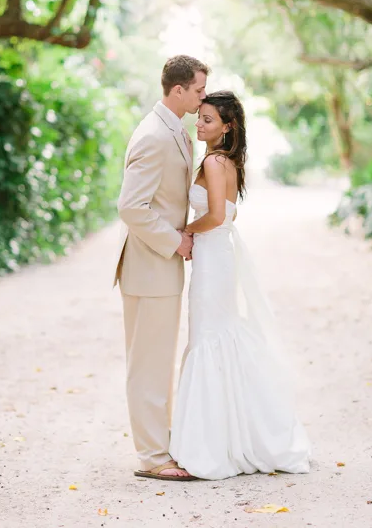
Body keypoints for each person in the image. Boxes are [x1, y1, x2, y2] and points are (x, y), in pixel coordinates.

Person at [168, 90, 311, 480]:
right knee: (217, 338)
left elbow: (215, 216)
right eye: (199, 117)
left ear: (227, 127)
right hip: (218, 257)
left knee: (207, 340)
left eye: (208, 120)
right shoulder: (227, 160)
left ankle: (212, 446)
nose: (199, 124)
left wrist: (183, 232)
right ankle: (227, 434)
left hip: (214, 260)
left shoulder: (215, 162)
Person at [112, 55, 209, 480]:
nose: (204, 96)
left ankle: (161, 445)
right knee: (148, 363)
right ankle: (152, 459)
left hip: (160, 268)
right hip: (150, 267)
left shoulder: (176, 130)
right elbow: (131, 206)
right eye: (199, 90)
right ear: (178, 90)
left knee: (158, 359)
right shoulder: (154, 135)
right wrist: (177, 241)